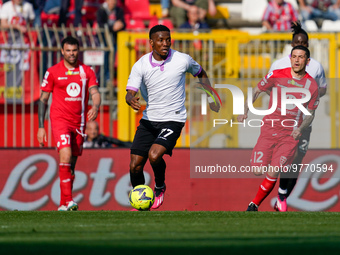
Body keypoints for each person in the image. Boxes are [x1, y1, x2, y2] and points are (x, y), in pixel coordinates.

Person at [126, 25, 219, 210]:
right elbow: (131, 90)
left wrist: (211, 95)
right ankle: (140, 200)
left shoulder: (182, 60)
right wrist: (130, 98)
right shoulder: (141, 64)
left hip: (173, 119)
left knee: (154, 155)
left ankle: (159, 186)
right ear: (151, 42)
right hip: (149, 119)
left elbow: (200, 72)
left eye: (168, 39)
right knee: (135, 166)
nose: (165, 43)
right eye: (160, 40)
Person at [237, 45, 320, 212]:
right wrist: (245, 109)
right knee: (258, 170)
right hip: (269, 130)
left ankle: (254, 205)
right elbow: (256, 90)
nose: (297, 60)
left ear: (307, 61)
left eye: (301, 57)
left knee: (275, 170)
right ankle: (278, 193)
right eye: (294, 56)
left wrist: (300, 129)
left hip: (290, 134)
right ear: (290, 58)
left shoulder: (311, 85)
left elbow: (310, 113)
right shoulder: (276, 75)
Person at [37, 36, 101, 211]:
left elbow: (95, 92)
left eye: (74, 51)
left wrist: (95, 105)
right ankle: (70, 200)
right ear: (62, 51)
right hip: (60, 120)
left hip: (79, 123)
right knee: (64, 154)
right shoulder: (53, 72)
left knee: (70, 166)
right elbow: (43, 100)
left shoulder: (86, 71)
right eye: (68, 51)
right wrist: (41, 127)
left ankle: (63, 203)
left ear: (78, 51)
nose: (72, 54)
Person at [268, 21, 327, 211]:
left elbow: (323, 89)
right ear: (291, 45)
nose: (299, 46)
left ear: (308, 46)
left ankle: (282, 196)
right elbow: (269, 88)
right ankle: (279, 195)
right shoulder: (279, 65)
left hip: (304, 122)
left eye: (303, 43)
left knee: (296, 159)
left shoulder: (316, 66)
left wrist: (311, 96)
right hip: (282, 119)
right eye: (296, 43)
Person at [96, 0, 125, 82]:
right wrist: (112, 27)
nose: (113, 2)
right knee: (104, 60)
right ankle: (103, 80)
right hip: (104, 40)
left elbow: (123, 23)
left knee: (112, 60)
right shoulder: (101, 10)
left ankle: (109, 80)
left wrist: (120, 25)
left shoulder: (119, 10)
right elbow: (101, 24)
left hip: (114, 40)